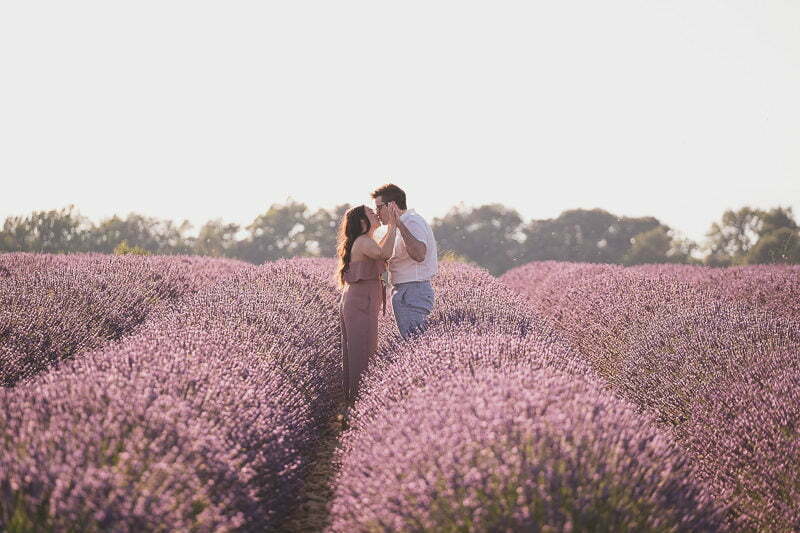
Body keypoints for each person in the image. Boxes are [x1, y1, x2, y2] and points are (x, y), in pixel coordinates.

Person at [335, 204, 398, 402]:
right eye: (372, 213)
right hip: (361, 304)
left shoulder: (366, 241)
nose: (377, 214)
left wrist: (390, 229)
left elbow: (382, 251)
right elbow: (384, 254)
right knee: (362, 354)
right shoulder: (363, 241)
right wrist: (394, 225)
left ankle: (354, 404)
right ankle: (358, 405)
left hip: (360, 302)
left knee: (359, 352)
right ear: (363, 222)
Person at [371, 184, 438, 340]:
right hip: (405, 291)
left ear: (392, 205)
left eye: (379, 208)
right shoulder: (394, 227)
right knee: (412, 342)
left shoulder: (412, 222)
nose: (377, 213)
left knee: (415, 342)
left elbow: (419, 254)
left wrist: (399, 224)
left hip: (413, 290)